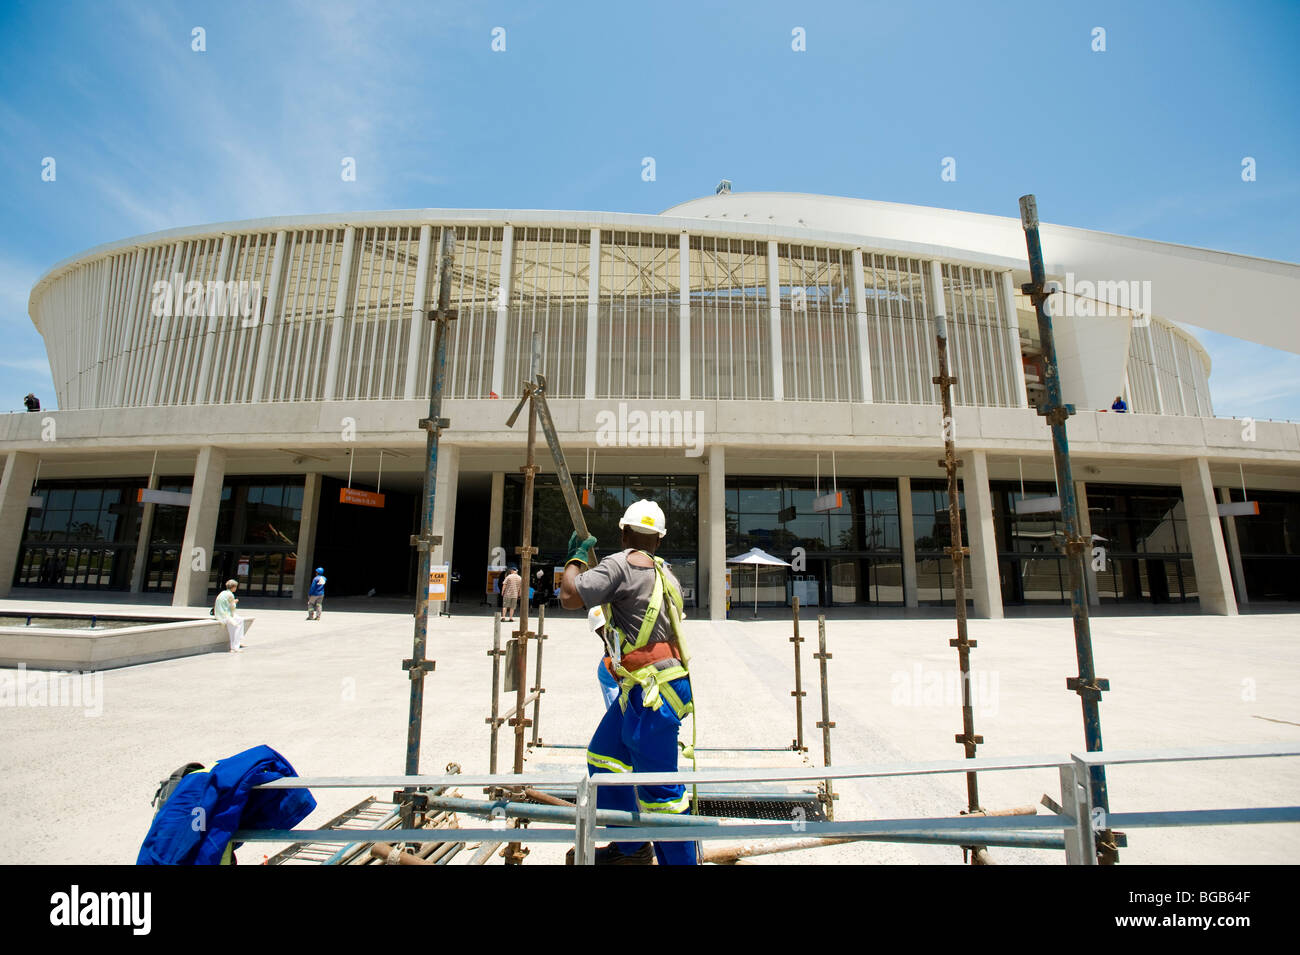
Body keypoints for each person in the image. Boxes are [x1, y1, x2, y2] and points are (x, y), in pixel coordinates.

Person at [560, 499, 696, 866]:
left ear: (623, 533)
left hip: (651, 695)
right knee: (603, 758)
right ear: (660, 540)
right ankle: (631, 846)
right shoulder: (666, 574)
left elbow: (568, 596)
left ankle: (682, 861)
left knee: (662, 794)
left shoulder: (619, 563)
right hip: (650, 687)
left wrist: (574, 559)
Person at [214, 579, 246, 652]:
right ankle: (235, 646)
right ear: (233, 587)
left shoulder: (223, 593)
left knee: (238, 621)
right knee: (237, 625)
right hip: (225, 615)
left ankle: (234, 645)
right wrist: (235, 602)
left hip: (219, 614)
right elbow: (232, 607)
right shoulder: (230, 595)